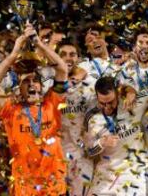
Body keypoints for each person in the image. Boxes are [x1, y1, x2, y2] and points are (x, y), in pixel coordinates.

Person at [0, 24, 68, 195]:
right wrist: (15, 53)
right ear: (19, 88)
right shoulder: (10, 109)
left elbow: (62, 69)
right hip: (24, 188)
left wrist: (38, 43)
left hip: (54, 186)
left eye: (34, 80)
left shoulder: (52, 104)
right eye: (25, 81)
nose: (31, 84)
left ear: (40, 85)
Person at [85, 76, 148, 196]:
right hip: (105, 176)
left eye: (111, 102)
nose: (107, 107)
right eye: (102, 103)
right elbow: (88, 151)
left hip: (133, 173)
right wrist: (102, 143)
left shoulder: (133, 103)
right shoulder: (92, 117)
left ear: (118, 94)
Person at [55, 40, 95, 196]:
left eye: (72, 54)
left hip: (82, 157)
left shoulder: (90, 85)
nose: (68, 58)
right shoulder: (47, 85)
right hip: (55, 156)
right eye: (63, 55)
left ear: (78, 58)